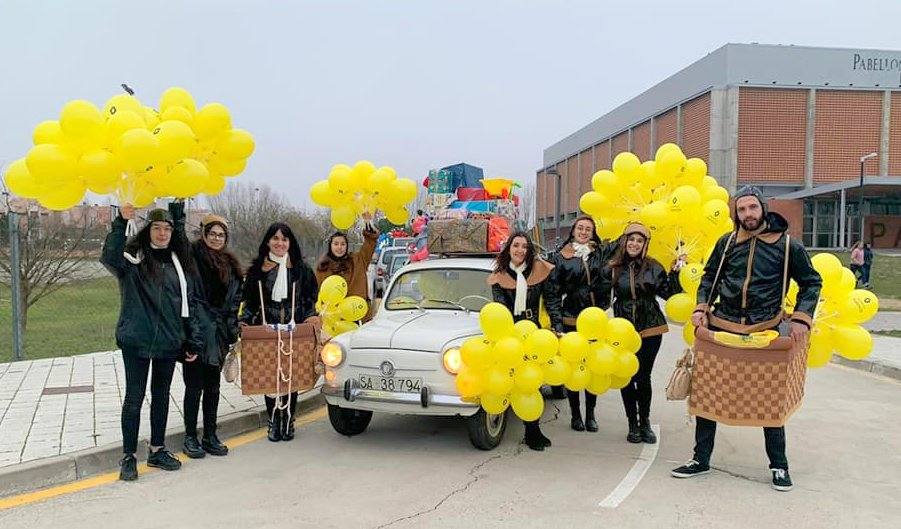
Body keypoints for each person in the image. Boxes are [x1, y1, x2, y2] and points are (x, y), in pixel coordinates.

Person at [671, 186, 821, 492]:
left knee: (770, 398)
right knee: (707, 396)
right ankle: (700, 460)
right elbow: (709, 278)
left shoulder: (788, 245)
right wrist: (701, 308)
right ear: (735, 213)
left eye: (752, 208)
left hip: (764, 331)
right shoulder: (726, 243)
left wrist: (802, 319)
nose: (747, 214)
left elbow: (811, 282)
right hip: (722, 328)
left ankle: (779, 466)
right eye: (741, 209)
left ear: (763, 208)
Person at [101, 203, 203, 482]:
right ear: (148, 231)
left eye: (167, 228)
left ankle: (157, 449)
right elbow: (110, 256)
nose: (162, 233)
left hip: (168, 343)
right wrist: (121, 222)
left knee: (161, 396)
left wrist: (189, 342)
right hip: (137, 339)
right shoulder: (133, 260)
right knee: (134, 398)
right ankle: (128, 456)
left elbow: (186, 304)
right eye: (157, 228)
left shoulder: (178, 264)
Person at [169, 201, 243, 459]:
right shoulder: (193, 258)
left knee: (213, 388)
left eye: (220, 234)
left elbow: (234, 302)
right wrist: (177, 211)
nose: (216, 238)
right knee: (194, 387)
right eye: (212, 233)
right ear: (204, 234)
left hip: (219, 336)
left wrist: (232, 330)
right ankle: (191, 436)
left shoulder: (232, 266)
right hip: (197, 333)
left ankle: (210, 434)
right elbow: (177, 242)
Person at [602, 223, 683, 445]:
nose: (634, 244)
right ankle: (632, 424)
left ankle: (645, 422)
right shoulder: (613, 268)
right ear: (624, 241)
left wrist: (676, 274)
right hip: (623, 328)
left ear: (645, 245)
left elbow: (670, 295)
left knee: (643, 376)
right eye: (631, 239)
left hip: (651, 327)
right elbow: (599, 294)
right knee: (626, 376)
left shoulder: (654, 267)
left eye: (639, 240)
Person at [241, 223, 319, 442]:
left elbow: (308, 299)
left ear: (290, 243)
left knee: (291, 378)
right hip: (267, 331)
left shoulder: (301, 269)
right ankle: (273, 420)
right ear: (267, 241)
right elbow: (250, 301)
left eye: (284, 239)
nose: (279, 243)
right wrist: (244, 322)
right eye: (275, 238)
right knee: (271, 377)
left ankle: (289, 420)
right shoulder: (257, 270)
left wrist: (311, 316)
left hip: (293, 331)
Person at [487, 232, 562, 451]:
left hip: (533, 331)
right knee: (509, 380)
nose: (520, 250)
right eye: (516, 245)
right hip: (509, 333)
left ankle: (533, 430)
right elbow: (499, 307)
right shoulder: (499, 275)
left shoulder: (539, 271)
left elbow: (552, 301)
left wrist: (557, 326)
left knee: (532, 382)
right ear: (508, 248)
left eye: (524, 247)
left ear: (529, 251)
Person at [547, 216, 617, 432]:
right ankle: (575, 414)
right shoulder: (561, 257)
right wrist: (557, 323)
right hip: (570, 318)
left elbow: (609, 276)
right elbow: (553, 294)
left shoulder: (600, 254)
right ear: (573, 230)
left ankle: (591, 414)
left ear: (593, 232)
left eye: (588, 229)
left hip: (595, 321)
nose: (584, 232)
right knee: (574, 368)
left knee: (594, 366)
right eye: (580, 228)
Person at [315, 217, 378, 319]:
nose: (339, 247)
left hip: (358, 316)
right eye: (336, 244)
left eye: (343, 244)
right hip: (333, 320)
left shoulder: (358, 261)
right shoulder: (323, 267)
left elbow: (370, 243)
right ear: (330, 246)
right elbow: (317, 293)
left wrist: (367, 222)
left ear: (347, 246)